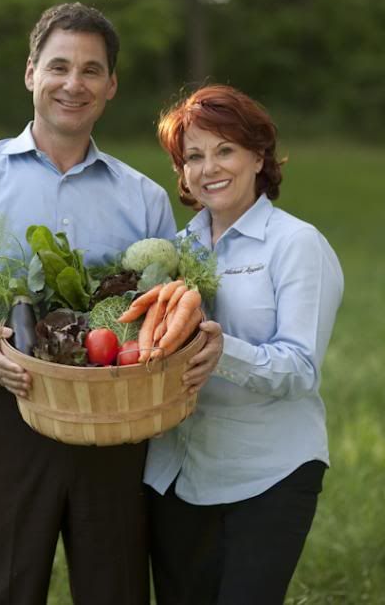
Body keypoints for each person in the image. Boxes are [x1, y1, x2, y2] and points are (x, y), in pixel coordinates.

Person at [0, 2, 224, 604]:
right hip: (10, 416)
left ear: (111, 86)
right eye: (59, 66)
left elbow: (168, 308)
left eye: (91, 70)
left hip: (114, 425)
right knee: (4, 592)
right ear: (30, 71)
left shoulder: (142, 198)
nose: (73, 83)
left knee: (115, 593)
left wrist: (202, 334)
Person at [144, 84, 344, 604]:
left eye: (225, 149)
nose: (209, 167)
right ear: (182, 173)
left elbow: (300, 369)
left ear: (259, 155)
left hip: (267, 476)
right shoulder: (175, 251)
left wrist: (220, 351)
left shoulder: (296, 245)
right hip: (176, 473)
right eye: (193, 156)